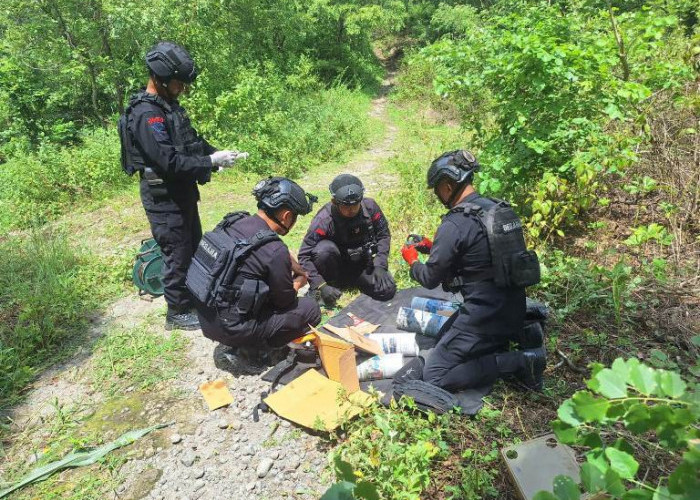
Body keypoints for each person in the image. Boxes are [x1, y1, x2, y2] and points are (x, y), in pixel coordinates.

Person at [118, 41, 241, 330]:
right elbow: (168, 162)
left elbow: (191, 141)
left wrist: (217, 154)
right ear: (160, 79)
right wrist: (209, 161)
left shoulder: (169, 107)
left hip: (182, 193)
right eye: (177, 83)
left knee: (192, 246)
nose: (182, 89)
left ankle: (194, 297)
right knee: (177, 253)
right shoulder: (148, 115)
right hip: (163, 199)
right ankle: (176, 310)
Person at [400, 150, 546, 391]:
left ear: (447, 186)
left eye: (437, 189)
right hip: (512, 308)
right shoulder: (496, 209)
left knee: (434, 376)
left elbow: (428, 278)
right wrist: (431, 246)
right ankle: (526, 333)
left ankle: (522, 362)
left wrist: (412, 260)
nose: (438, 195)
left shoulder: (455, 222)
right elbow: (480, 255)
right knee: (444, 335)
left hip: (483, 317)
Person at [190, 177, 322, 352]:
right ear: (286, 216)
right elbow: (285, 301)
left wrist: (285, 260)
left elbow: (245, 257)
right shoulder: (274, 249)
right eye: (295, 216)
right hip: (232, 329)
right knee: (310, 309)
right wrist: (300, 279)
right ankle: (257, 350)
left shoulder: (233, 221)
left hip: (207, 317)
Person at [298, 174, 396, 308]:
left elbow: (383, 235)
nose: (351, 210)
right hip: (335, 267)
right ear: (334, 202)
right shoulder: (323, 220)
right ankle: (327, 289)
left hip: (362, 266)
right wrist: (320, 284)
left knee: (388, 290)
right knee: (324, 250)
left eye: (355, 205)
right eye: (346, 206)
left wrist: (380, 265)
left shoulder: (370, 207)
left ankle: (356, 281)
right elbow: (304, 256)